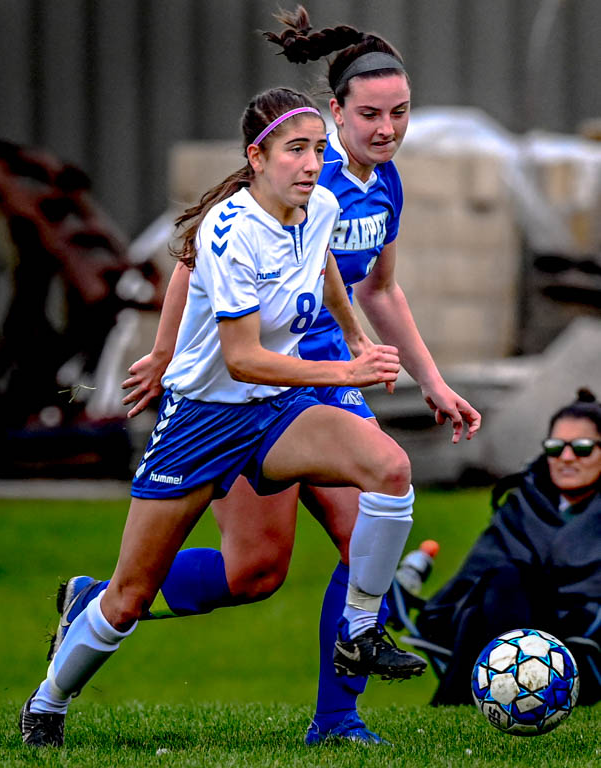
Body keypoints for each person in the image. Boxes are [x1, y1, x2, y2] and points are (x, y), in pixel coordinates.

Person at [41, 7, 482, 746]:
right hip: (255, 384)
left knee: (365, 519)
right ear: (334, 111)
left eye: (400, 113)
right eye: (369, 114)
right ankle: (101, 604)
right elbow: (195, 254)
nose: (386, 129)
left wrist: (429, 380)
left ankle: (337, 719)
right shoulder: (295, 165)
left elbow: (374, 288)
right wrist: (165, 349)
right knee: (255, 573)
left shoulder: (381, 186)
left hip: (321, 385)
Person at [413, 388, 601, 707]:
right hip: (504, 622)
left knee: (508, 583)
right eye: (556, 447)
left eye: (582, 448)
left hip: (584, 645)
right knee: (502, 583)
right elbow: (474, 577)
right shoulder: (521, 505)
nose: (566, 458)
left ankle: (452, 699)